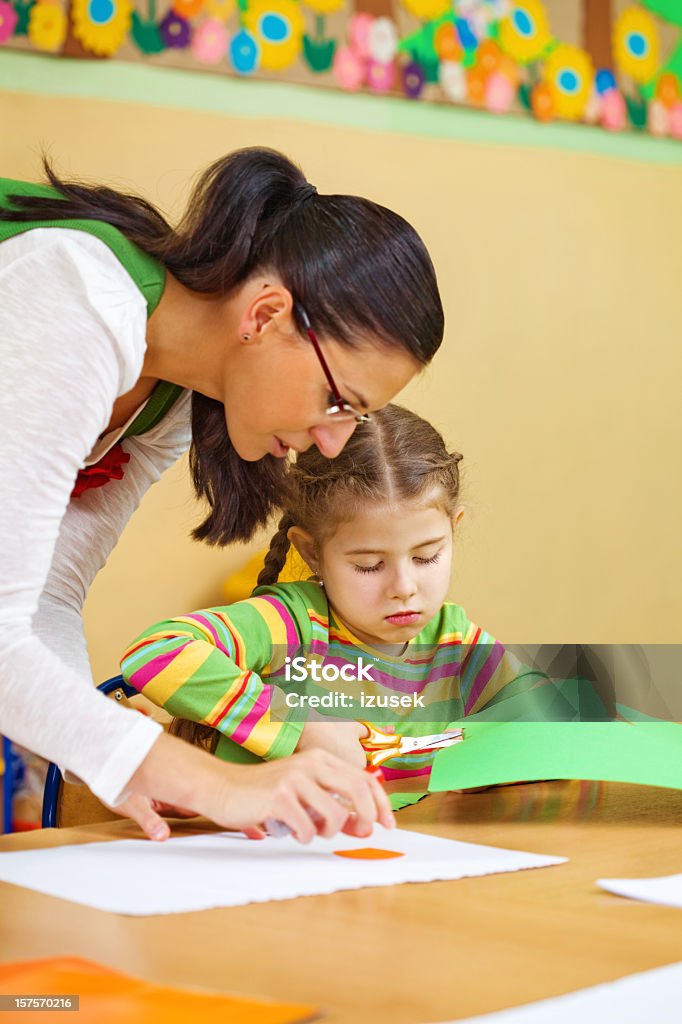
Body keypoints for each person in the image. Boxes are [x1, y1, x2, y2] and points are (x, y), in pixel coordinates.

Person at [0, 147, 446, 841]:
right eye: (338, 401)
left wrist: (123, 761)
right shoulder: (77, 301)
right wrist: (209, 779)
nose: (332, 443)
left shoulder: (171, 397)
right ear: (266, 314)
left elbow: (43, 604)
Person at [120, 405, 610, 792]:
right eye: (369, 565)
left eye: (426, 557)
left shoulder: (454, 642)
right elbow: (156, 654)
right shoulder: (289, 625)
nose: (404, 586)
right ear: (312, 553)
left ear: (452, 533)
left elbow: (553, 725)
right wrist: (301, 728)